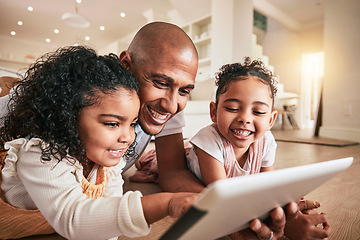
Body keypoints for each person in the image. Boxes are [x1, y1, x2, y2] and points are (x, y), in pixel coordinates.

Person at [119, 21, 295, 239]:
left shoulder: (171, 111)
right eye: (160, 82)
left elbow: (173, 171)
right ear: (126, 65)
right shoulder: (93, 106)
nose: (172, 105)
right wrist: (229, 213)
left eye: (184, 91)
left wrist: (282, 218)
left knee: (156, 157)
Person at [0, 46, 198, 240]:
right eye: (112, 124)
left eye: (132, 123)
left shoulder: (107, 165)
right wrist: (166, 203)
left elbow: (106, 222)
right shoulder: (39, 154)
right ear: (68, 118)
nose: (128, 137)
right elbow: (73, 218)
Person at [131, 57, 331, 239]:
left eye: (258, 111)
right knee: (151, 162)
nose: (244, 118)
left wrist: (288, 207)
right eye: (232, 108)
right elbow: (224, 195)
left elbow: (266, 185)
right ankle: (145, 156)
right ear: (213, 112)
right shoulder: (209, 139)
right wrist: (275, 215)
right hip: (193, 159)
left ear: (271, 120)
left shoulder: (267, 141)